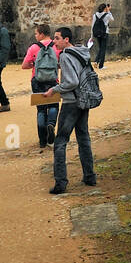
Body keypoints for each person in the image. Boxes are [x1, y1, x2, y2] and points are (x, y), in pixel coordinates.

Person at [44, 27, 97, 194]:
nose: (55, 41)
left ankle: (61, 182)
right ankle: (89, 176)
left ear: (67, 40)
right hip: (83, 100)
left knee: (60, 142)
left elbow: (71, 82)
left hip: (71, 103)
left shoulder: (66, 55)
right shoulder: (82, 52)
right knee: (83, 138)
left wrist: (55, 89)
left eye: (58, 38)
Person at [21, 23, 59, 149]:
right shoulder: (56, 46)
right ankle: (51, 124)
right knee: (53, 105)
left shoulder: (34, 48)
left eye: (36, 33)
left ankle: (42, 140)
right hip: (53, 80)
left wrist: (35, 66)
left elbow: (24, 65)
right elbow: (61, 63)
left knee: (41, 109)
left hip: (37, 81)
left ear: (42, 34)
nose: (35, 36)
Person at [89, 3, 113, 69]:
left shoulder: (95, 15)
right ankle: (101, 66)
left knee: (100, 48)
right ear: (105, 8)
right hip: (105, 33)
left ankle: (97, 61)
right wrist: (109, 11)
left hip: (97, 33)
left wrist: (91, 36)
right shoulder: (107, 15)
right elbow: (112, 19)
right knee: (103, 49)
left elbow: (92, 26)